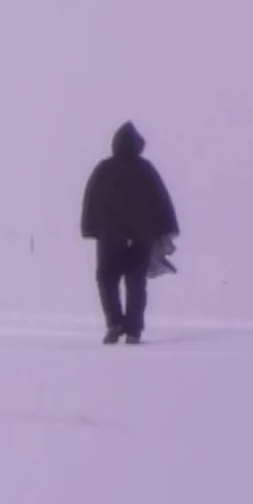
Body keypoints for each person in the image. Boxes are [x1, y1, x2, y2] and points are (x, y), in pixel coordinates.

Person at [80, 122, 179, 344]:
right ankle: (133, 330)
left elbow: (91, 201)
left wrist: (91, 229)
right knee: (135, 281)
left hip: (109, 236)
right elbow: (162, 202)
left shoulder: (103, 169)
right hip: (141, 237)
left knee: (107, 278)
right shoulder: (146, 170)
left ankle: (115, 323)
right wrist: (166, 229)